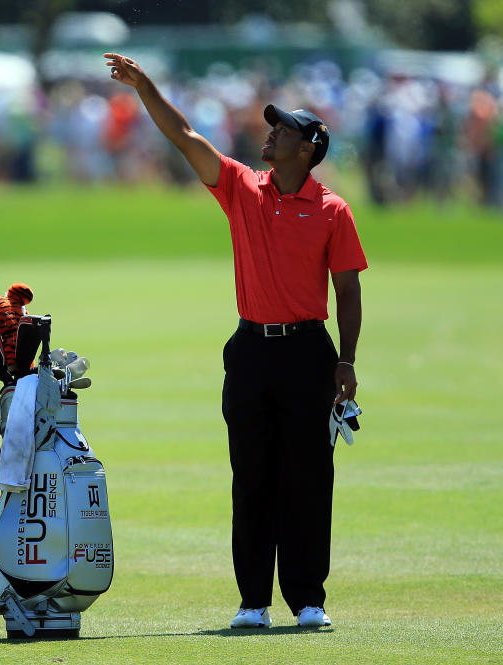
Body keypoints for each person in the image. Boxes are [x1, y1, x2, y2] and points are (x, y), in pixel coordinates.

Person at [104, 54, 367, 629]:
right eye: (273, 127)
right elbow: (183, 135)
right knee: (252, 479)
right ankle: (253, 601)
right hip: (250, 351)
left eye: (284, 131)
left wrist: (346, 361)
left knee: (307, 480)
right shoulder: (243, 187)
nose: (270, 134)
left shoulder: (332, 211)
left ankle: (308, 600)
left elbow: (347, 292)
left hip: (307, 354)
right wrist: (144, 84)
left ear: (309, 148)